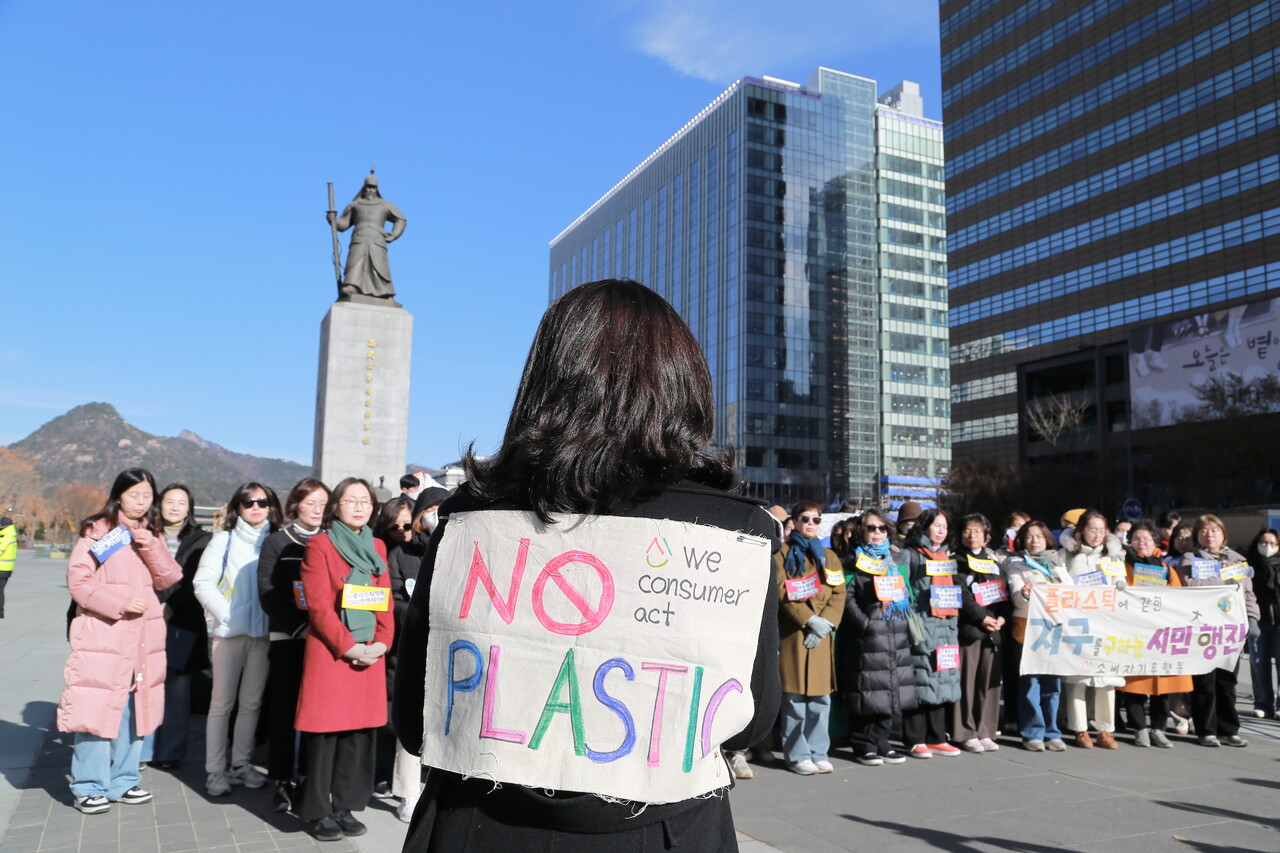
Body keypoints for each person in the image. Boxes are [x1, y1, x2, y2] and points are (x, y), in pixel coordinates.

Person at [392, 279, 781, 852]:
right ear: (684, 383)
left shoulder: (467, 518)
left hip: (475, 825)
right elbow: (751, 717)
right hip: (667, 831)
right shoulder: (736, 532)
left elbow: (416, 715)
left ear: (545, 378)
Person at [58, 468, 182, 814]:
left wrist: (153, 547)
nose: (141, 502)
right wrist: (119, 603)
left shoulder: (150, 532)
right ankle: (89, 786)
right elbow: (79, 581)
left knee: (136, 710)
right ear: (119, 495)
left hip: (144, 637)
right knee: (97, 709)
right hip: (106, 635)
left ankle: (124, 780)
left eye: (147, 496)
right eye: (134, 495)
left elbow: (170, 577)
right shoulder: (99, 531)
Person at [296, 478, 393, 841]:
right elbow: (319, 606)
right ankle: (318, 810)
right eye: (350, 500)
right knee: (325, 738)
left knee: (358, 736)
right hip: (333, 654)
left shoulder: (378, 546)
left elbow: (383, 599)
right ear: (335, 506)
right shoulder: (320, 545)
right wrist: (350, 647)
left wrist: (382, 642)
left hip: (370, 651)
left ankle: (345, 806)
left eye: (365, 501)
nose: (358, 506)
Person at [193, 482, 282, 795]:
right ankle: (215, 771)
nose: (255, 507)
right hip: (230, 635)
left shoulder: (276, 540)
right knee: (221, 705)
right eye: (248, 501)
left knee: (251, 704)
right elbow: (202, 583)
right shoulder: (224, 539)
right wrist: (228, 615)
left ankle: (240, 765)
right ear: (237, 506)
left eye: (262, 501)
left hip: (263, 636)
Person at [257, 477, 329, 812]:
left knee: (317, 711)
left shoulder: (331, 541)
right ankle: (282, 778)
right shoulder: (276, 542)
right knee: (283, 709)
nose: (317, 509)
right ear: (295, 504)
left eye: (323, 503)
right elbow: (268, 594)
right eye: (310, 502)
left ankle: (311, 777)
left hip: (326, 640)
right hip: (289, 638)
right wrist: (299, 628)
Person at [1174, 514, 1261, 747]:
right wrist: (1221, 576)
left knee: (1227, 682)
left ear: (1223, 535)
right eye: (1203, 531)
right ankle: (1206, 730)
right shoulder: (1189, 559)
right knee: (1205, 682)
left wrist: (1252, 618)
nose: (1209, 534)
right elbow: (1191, 586)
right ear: (1197, 536)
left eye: (1214, 530)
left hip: (1231, 630)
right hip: (1202, 628)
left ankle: (1228, 729)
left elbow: (1248, 594)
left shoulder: (1238, 562)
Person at [839, 509, 914, 766]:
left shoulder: (895, 561)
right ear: (862, 531)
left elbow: (908, 594)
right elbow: (847, 598)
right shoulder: (854, 561)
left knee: (889, 690)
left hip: (895, 633)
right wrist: (865, 623)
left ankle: (883, 741)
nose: (877, 533)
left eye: (882, 528)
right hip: (868, 637)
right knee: (867, 690)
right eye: (871, 528)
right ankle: (863, 744)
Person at [776, 501, 846, 774]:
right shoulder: (781, 554)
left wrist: (826, 622)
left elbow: (839, 592)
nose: (811, 523)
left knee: (821, 700)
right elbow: (782, 591)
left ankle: (819, 751)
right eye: (805, 518)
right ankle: (796, 754)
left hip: (822, 636)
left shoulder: (830, 556)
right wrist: (808, 620)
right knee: (794, 699)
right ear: (794, 520)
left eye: (816, 519)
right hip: (795, 634)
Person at [149, 484, 211, 770]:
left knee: (177, 690)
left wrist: (170, 607)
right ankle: (142, 750)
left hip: (183, 623)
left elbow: (197, 582)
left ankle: (170, 752)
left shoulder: (202, 540)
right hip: (145, 620)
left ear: (190, 508)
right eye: (169, 501)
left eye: (181, 502)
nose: (175, 507)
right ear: (159, 504)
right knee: (143, 686)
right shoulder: (145, 535)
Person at [1058, 510, 1126, 749]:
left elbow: (1123, 589)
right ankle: (1080, 728)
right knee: (1077, 677)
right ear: (1081, 531)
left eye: (1101, 530)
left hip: (1107, 624)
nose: (1097, 535)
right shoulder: (1067, 556)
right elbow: (1059, 586)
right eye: (1092, 529)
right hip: (1078, 624)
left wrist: (1121, 584)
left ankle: (1105, 730)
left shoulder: (1113, 557)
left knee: (1107, 678)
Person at [373, 495, 423, 821]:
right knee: (394, 716)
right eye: (397, 526)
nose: (403, 531)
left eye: (409, 525)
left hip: (428, 647)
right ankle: (395, 786)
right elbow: (387, 599)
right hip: (396, 644)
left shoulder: (434, 548)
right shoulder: (391, 554)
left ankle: (408, 786)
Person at [1118, 521, 1189, 748]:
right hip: (1134, 631)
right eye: (1137, 539)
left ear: (1155, 542)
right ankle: (1139, 728)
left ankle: (1158, 728)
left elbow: (1178, 597)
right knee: (1135, 680)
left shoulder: (1166, 568)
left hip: (1161, 632)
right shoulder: (1122, 565)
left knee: (1162, 683)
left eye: (1146, 539)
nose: (1142, 543)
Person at [1004, 520, 1072, 751]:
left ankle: (1052, 731)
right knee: (1030, 684)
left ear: (1047, 540)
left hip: (1054, 629)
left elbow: (1071, 594)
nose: (1035, 541)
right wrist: (1025, 595)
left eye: (1039, 536)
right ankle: (1032, 732)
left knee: (1053, 684)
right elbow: (1017, 600)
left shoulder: (1057, 563)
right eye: (1030, 536)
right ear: (1022, 540)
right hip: (1027, 629)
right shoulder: (1015, 564)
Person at [900, 508, 962, 758]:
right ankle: (914, 738)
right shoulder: (910, 554)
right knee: (918, 678)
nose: (940, 531)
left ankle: (937, 736)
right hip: (923, 624)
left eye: (944, 527)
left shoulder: (946, 557)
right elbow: (900, 587)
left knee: (941, 678)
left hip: (946, 625)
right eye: (936, 525)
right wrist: (913, 617)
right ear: (924, 527)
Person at [952, 513, 1008, 753]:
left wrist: (1001, 616)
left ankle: (985, 729)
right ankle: (965, 731)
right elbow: (960, 594)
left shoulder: (993, 562)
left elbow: (1002, 591)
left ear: (987, 536)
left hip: (993, 631)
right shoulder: (954, 561)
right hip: (969, 630)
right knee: (967, 682)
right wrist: (981, 617)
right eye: (967, 530)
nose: (972, 535)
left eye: (977, 531)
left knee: (989, 683)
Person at [329, 173, 406, 301]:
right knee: (355, 262)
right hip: (359, 238)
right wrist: (333, 221)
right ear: (363, 188)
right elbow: (343, 225)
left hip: (377, 239)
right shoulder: (355, 205)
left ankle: (384, 291)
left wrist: (394, 234)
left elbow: (401, 219)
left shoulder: (385, 205)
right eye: (368, 187)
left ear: (377, 189)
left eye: (373, 187)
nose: (370, 190)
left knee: (379, 265)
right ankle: (352, 286)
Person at [1246, 528, 1280, 720]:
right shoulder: (1248, 566)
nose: (1268, 547)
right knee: (1258, 663)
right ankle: (1262, 703)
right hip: (1257, 621)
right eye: (1264, 543)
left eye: (1273, 544)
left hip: (1279, 622)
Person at [0, 514, 15, 617]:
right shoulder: (10, 534)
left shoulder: (6, 536)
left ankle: (0, 612)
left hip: (2, 567)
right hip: (6, 568)